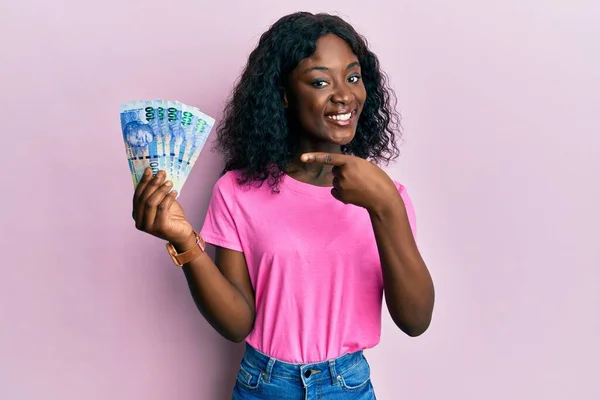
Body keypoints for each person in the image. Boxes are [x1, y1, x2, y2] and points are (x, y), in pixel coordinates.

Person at [131, 11, 435, 400]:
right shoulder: (237, 191)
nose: (344, 94)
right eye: (320, 81)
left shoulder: (384, 195)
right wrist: (183, 241)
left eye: (353, 77)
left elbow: (415, 320)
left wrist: (386, 207)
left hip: (348, 386)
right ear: (285, 95)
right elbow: (237, 323)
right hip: (263, 384)